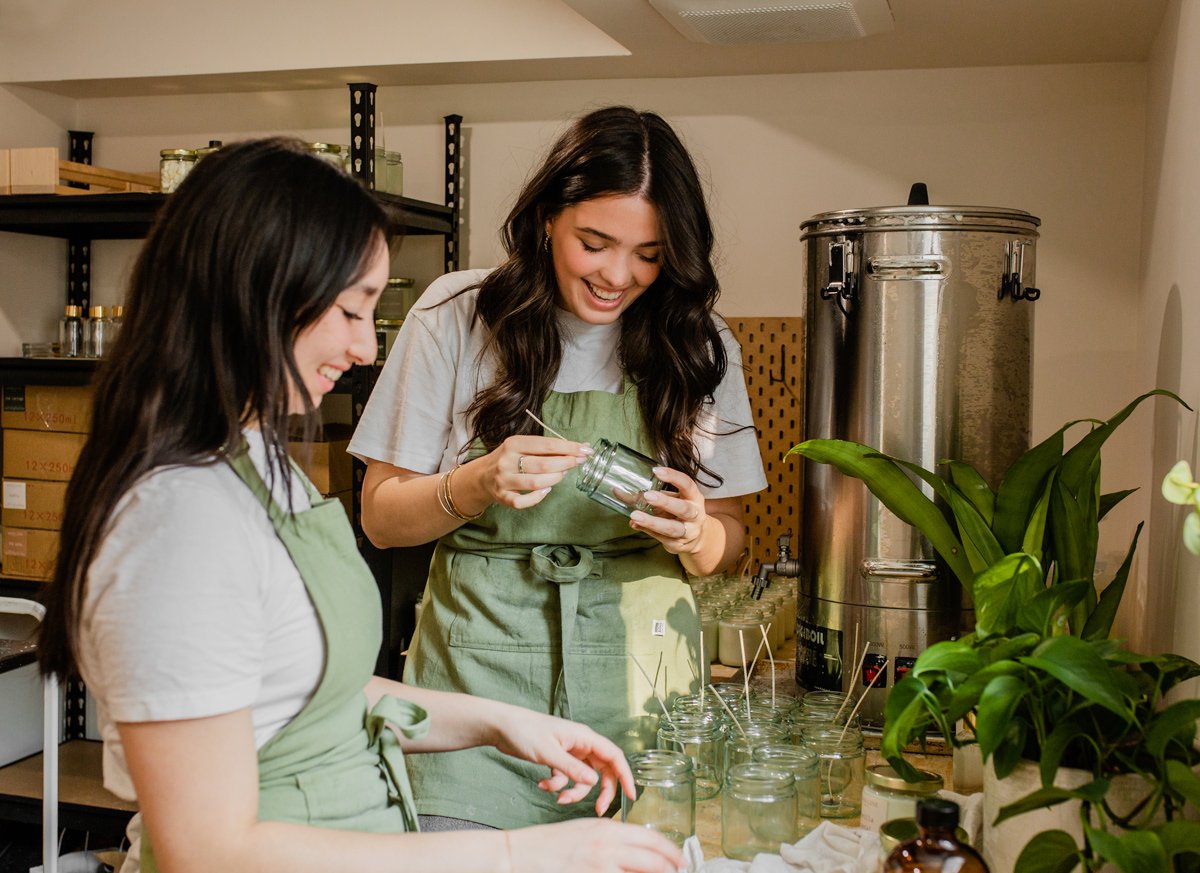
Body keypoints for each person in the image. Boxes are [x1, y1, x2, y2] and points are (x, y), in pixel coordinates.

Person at [37, 137, 683, 873]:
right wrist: (518, 851)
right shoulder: (178, 520)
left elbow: (308, 688)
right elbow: (206, 849)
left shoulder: (256, 467)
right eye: (351, 311)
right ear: (259, 296)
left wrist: (502, 723)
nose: (364, 348)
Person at [350, 105, 768, 830]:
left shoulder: (697, 343)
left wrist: (696, 532)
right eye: (595, 242)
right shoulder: (454, 316)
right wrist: (473, 484)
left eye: (649, 252)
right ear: (547, 217)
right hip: (477, 696)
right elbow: (381, 517)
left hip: (645, 696)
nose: (618, 275)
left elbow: (730, 545)